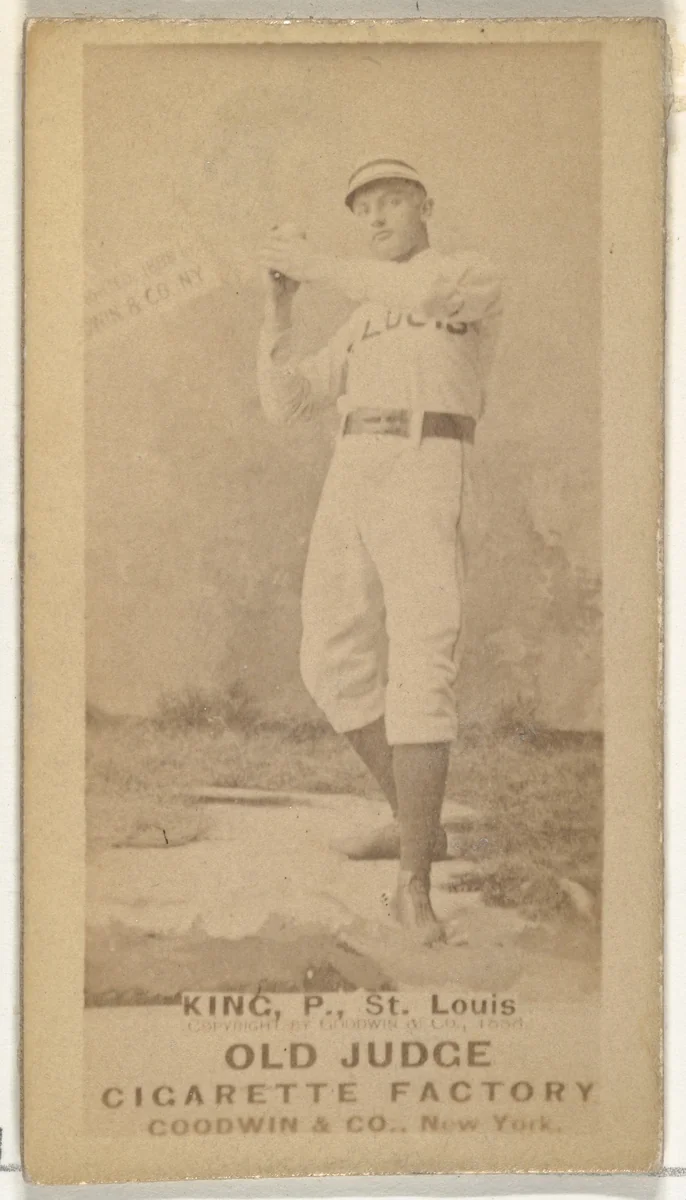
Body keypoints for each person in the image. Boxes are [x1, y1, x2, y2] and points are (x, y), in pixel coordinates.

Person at [257, 155, 503, 944]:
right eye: (364, 206)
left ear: (426, 202)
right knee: (330, 659)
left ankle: (414, 888)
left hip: (430, 463)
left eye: (392, 200)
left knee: (422, 660)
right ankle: (417, 825)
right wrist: (279, 307)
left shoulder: (468, 275)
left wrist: (320, 265)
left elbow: (420, 292)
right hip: (354, 467)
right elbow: (287, 401)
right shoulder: (363, 315)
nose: (377, 216)